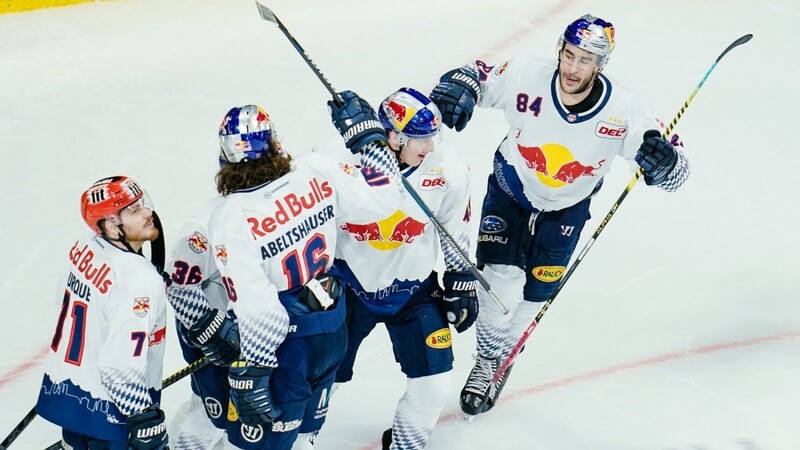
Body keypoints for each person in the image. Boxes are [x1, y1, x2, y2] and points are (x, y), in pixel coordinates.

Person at [428, 14, 692, 416]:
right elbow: (473, 76)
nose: (572, 68)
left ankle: (504, 355)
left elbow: (678, 174)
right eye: (568, 55)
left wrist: (666, 165)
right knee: (499, 284)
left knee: (534, 297)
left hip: (568, 209)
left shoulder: (625, 110)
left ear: (601, 65)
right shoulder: (524, 75)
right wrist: (457, 87)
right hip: (510, 191)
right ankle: (486, 362)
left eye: (584, 60)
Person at [205, 96, 405, 450]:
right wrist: (369, 140)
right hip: (331, 330)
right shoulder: (314, 169)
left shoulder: (232, 216)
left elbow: (258, 308)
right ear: (275, 144)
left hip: (287, 348)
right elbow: (386, 199)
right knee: (303, 436)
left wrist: (255, 371)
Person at [315, 87, 477, 450]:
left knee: (434, 384)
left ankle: (407, 444)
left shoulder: (447, 166)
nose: (431, 146)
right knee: (319, 381)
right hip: (347, 287)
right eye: (421, 139)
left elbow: (455, 226)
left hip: (413, 291)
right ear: (393, 135)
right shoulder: (334, 158)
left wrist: (460, 281)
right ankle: (298, 439)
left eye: (433, 136)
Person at [36, 176, 170, 450]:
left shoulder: (84, 246)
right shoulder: (138, 282)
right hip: (113, 410)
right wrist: (142, 417)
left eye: (143, 204)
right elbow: (119, 367)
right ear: (111, 225)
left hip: (72, 392)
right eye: (134, 210)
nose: (147, 213)